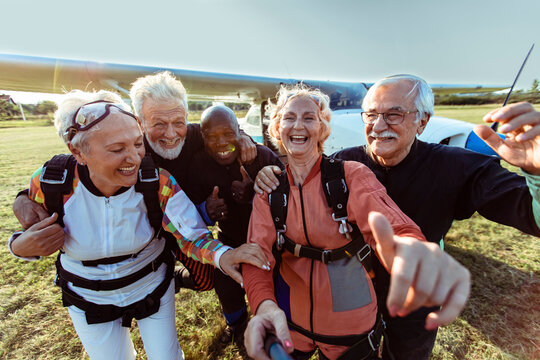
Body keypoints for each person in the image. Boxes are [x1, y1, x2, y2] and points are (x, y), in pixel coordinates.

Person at [253, 75, 540, 359]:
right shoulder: (342, 166)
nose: (378, 126)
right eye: (372, 115)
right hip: (352, 293)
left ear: (423, 122)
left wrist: (536, 175)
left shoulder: (458, 166)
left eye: (394, 114)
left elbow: (529, 213)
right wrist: (273, 173)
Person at [7, 91, 268, 360]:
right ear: (78, 151)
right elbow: (31, 232)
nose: (133, 158)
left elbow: (190, 234)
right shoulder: (52, 182)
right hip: (87, 297)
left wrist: (224, 255)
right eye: (117, 149)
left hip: (150, 287)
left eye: (137, 144)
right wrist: (19, 246)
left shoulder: (158, 181)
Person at [11, 71, 259, 291]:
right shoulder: (123, 149)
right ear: (138, 122)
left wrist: (244, 138)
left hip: (184, 222)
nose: (171, 134)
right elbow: (77, 166)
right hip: (147, 230)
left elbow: (221, 133)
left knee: (206, 280)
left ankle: (173, 279)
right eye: (159, 124)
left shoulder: (197, 137)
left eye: (178, 122)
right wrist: (22, 199)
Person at [185, 105, 284, 344]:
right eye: (212, 136)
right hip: (229, 241)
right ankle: (236, 323)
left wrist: (254, 196)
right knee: (226, 287)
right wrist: (207, 212)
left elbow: (286, 203)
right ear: (202, 137)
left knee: (278, 286)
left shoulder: (261, 156)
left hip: (270, 243)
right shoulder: (197, 165)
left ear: (239, 131)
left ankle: (276, 321)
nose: (221, 142)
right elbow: (188, 213)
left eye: (228, 134)